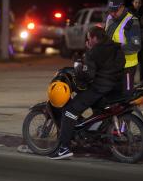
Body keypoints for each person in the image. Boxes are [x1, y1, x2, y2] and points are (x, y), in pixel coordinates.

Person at [49, 26, 125, 160]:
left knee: (70, 110)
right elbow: (120, 64)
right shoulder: (116, 47)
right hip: (116, 87)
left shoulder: (93, 52)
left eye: (89, 38)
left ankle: (64, 148)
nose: (88, 40)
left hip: (99, 88)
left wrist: (84, 61)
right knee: (94, 108)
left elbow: (88, 75)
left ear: (95, 38)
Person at [105, 0, 141, 95]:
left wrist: (116, 48)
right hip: (113, 65)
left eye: (115, 11)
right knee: (112, 96)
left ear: (122, 7)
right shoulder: (110, 17)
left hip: (127, 67)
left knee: (126, 97)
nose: (112, 13)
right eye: (110, 10)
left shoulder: (131, 21)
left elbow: (135, 46)